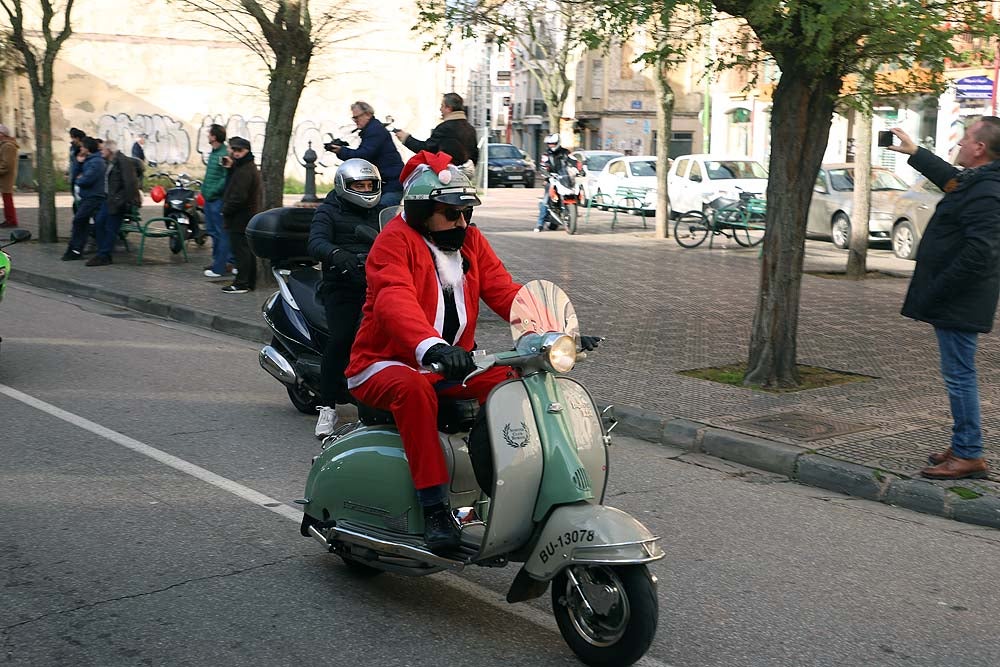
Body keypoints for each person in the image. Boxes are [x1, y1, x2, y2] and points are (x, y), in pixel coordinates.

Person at [344, 151, 518, 552]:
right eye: (451, 215)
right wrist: (432, 346)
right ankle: (436, 506)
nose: (462, 223)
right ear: (423, 212)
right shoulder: (394, 243)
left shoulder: (469, 240)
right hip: (383, 363)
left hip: (448, 363)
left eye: (465, 215)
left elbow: (502, 288)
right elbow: (394, 300)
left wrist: (552, 326)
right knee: (413, 389)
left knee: (514, 380)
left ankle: (503, 481)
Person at [887, 120, 1000, 480]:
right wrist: (915, 153)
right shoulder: (977, 181)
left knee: (960, 376)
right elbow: (951, 178)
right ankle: (964, 443)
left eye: (966, 138)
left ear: (980, 148)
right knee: (958, 374)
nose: (960, 142)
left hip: (959, 300)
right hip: (957, 298)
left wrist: (939, 288)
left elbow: (981, 252)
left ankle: (969, 454)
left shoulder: (988, 191)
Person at [307, 158, 384, 438]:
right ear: (343, 186)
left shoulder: (381, 211)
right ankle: (327, 407)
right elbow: (315, 242)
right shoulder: (328, 210)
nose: (365, 190)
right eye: (358, 185)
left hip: (377, 283)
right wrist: (337, 254)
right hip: (342, 285)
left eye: (369, 185)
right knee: (340, 340)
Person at [327, 102, 404, 207]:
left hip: (390, 185)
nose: (355, 121)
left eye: (357, 117)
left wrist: (341, 151)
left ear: (367, 114)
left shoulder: (375, 130)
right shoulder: (372, 129)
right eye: (353, 118)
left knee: (380, 215)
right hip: (387, 183)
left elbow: (363, 156)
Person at [394, 93, 479, 176]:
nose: (440, 109)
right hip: (465, 180)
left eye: (442, 106)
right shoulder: (470, 129)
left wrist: (406, 138)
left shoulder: (445, 128)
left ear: (449, 108)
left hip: (447, 178)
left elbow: (426, 149)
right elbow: (475, 155)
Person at [220, 136, 262, 294]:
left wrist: (225, 209)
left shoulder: (245, 170)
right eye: (234, 150)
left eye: (239, 150)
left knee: (241, 251)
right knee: (245, 250)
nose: (236, 153)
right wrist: (231, 168)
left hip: (241, 216)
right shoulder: (244, 166)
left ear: (247, 151)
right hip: (244, 215)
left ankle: (242, 283)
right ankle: (248, 282)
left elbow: (239, 196)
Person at [86, 140, 138, 266]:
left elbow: (130, 183)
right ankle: (103, 252)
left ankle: (104, 255)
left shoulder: (123, 162)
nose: (101, 151)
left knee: (110, 228)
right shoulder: (110, 162)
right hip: (108, 199)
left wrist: (122, 200)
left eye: (103, 149)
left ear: (109, 150)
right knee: (99, 223)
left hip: (117, 201)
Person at [63, 137, 106, 261]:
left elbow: (87, 179)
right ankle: (76, 248)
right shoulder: (88, 160)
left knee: (79, 220)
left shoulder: (96, 162)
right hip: (87, 196)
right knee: (83, 222)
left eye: (82, 146)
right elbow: (76, 174)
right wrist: (78, 162)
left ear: (88, 148)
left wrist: (79, 180)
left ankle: (77, 248)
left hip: (94, 197)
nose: (80, 148)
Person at [201, 124, 234, 278]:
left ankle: (222, 265)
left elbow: (224, 178)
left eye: (209, 134)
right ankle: (221, 261)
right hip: (209, 199)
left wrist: (213, 191)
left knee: (221, 233)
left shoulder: (223, 154)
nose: (208, 136)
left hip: (216, 199)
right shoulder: (214, 153)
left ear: (214, 137)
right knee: (213, 232)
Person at [534, 133, 572, 232]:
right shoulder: (546, 154)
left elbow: (573, 161)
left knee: (573, 192)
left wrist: (579, 168)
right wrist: (546, 173)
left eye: (553, 143)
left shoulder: (566, 152)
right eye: (549, 144)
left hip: (564, 177)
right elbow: (543, 165)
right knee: (546, 199)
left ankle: (569, 214)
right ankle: (539, 224)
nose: (551, 145)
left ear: (558, 142)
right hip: (552, 178)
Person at [0, 124, 18, 228]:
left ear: (2, 134)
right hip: (4, 176)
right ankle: (9, 219)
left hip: (6, 177)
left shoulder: (8, 146)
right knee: (6, 198)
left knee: (7, 199)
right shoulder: (4, 145)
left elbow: (7, 164)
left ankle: (11, 220)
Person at [69, 128, 86, 213]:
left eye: (73, 137)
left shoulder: (83, 149)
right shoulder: (73, 148)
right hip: (74, 176)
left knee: (79, 200)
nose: (72, 140)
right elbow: (72, 162)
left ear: (78, 138)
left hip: (79, 177)